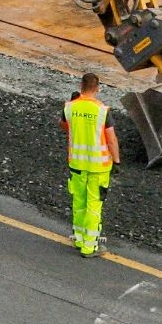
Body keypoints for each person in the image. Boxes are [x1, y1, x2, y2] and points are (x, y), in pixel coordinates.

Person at [62, 71, 119, 256]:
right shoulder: (102, 111)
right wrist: (116, 160)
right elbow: (111, 139)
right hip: (98, 168)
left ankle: (79, 239)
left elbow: (64, 125)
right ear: (97, 89)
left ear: (81, 87)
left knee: (78, 202)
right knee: (94, 205)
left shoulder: (70, 107)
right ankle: (90, 246)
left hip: (77, 164)